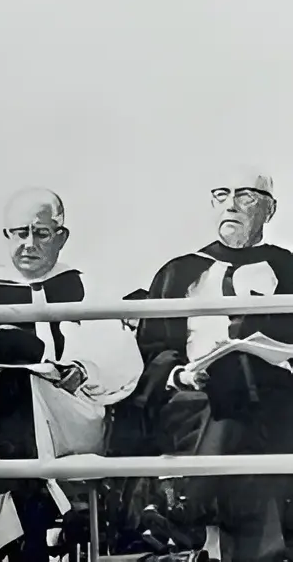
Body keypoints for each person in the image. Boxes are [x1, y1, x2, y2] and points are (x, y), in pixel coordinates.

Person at [0, 188, 142, 562]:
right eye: (19, 233)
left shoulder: (88, 289)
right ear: (6, 236)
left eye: (41, 233)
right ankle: (33, 509)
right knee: (3, 381)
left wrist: (82, 371)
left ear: (62, 236)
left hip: (67, 420)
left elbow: (123, 360)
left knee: (19, 382)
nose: (29, 244)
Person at [125, 168, 293, 562]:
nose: (231, 205)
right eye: (221, 195)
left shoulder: (290, 269)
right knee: (230, 384)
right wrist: (183, 373)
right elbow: (152, 351)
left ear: (270, 210)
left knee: (243, 379)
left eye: (246, 197)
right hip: (191, 402)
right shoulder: (178, 271)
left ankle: (188, 507)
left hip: (278, 398)